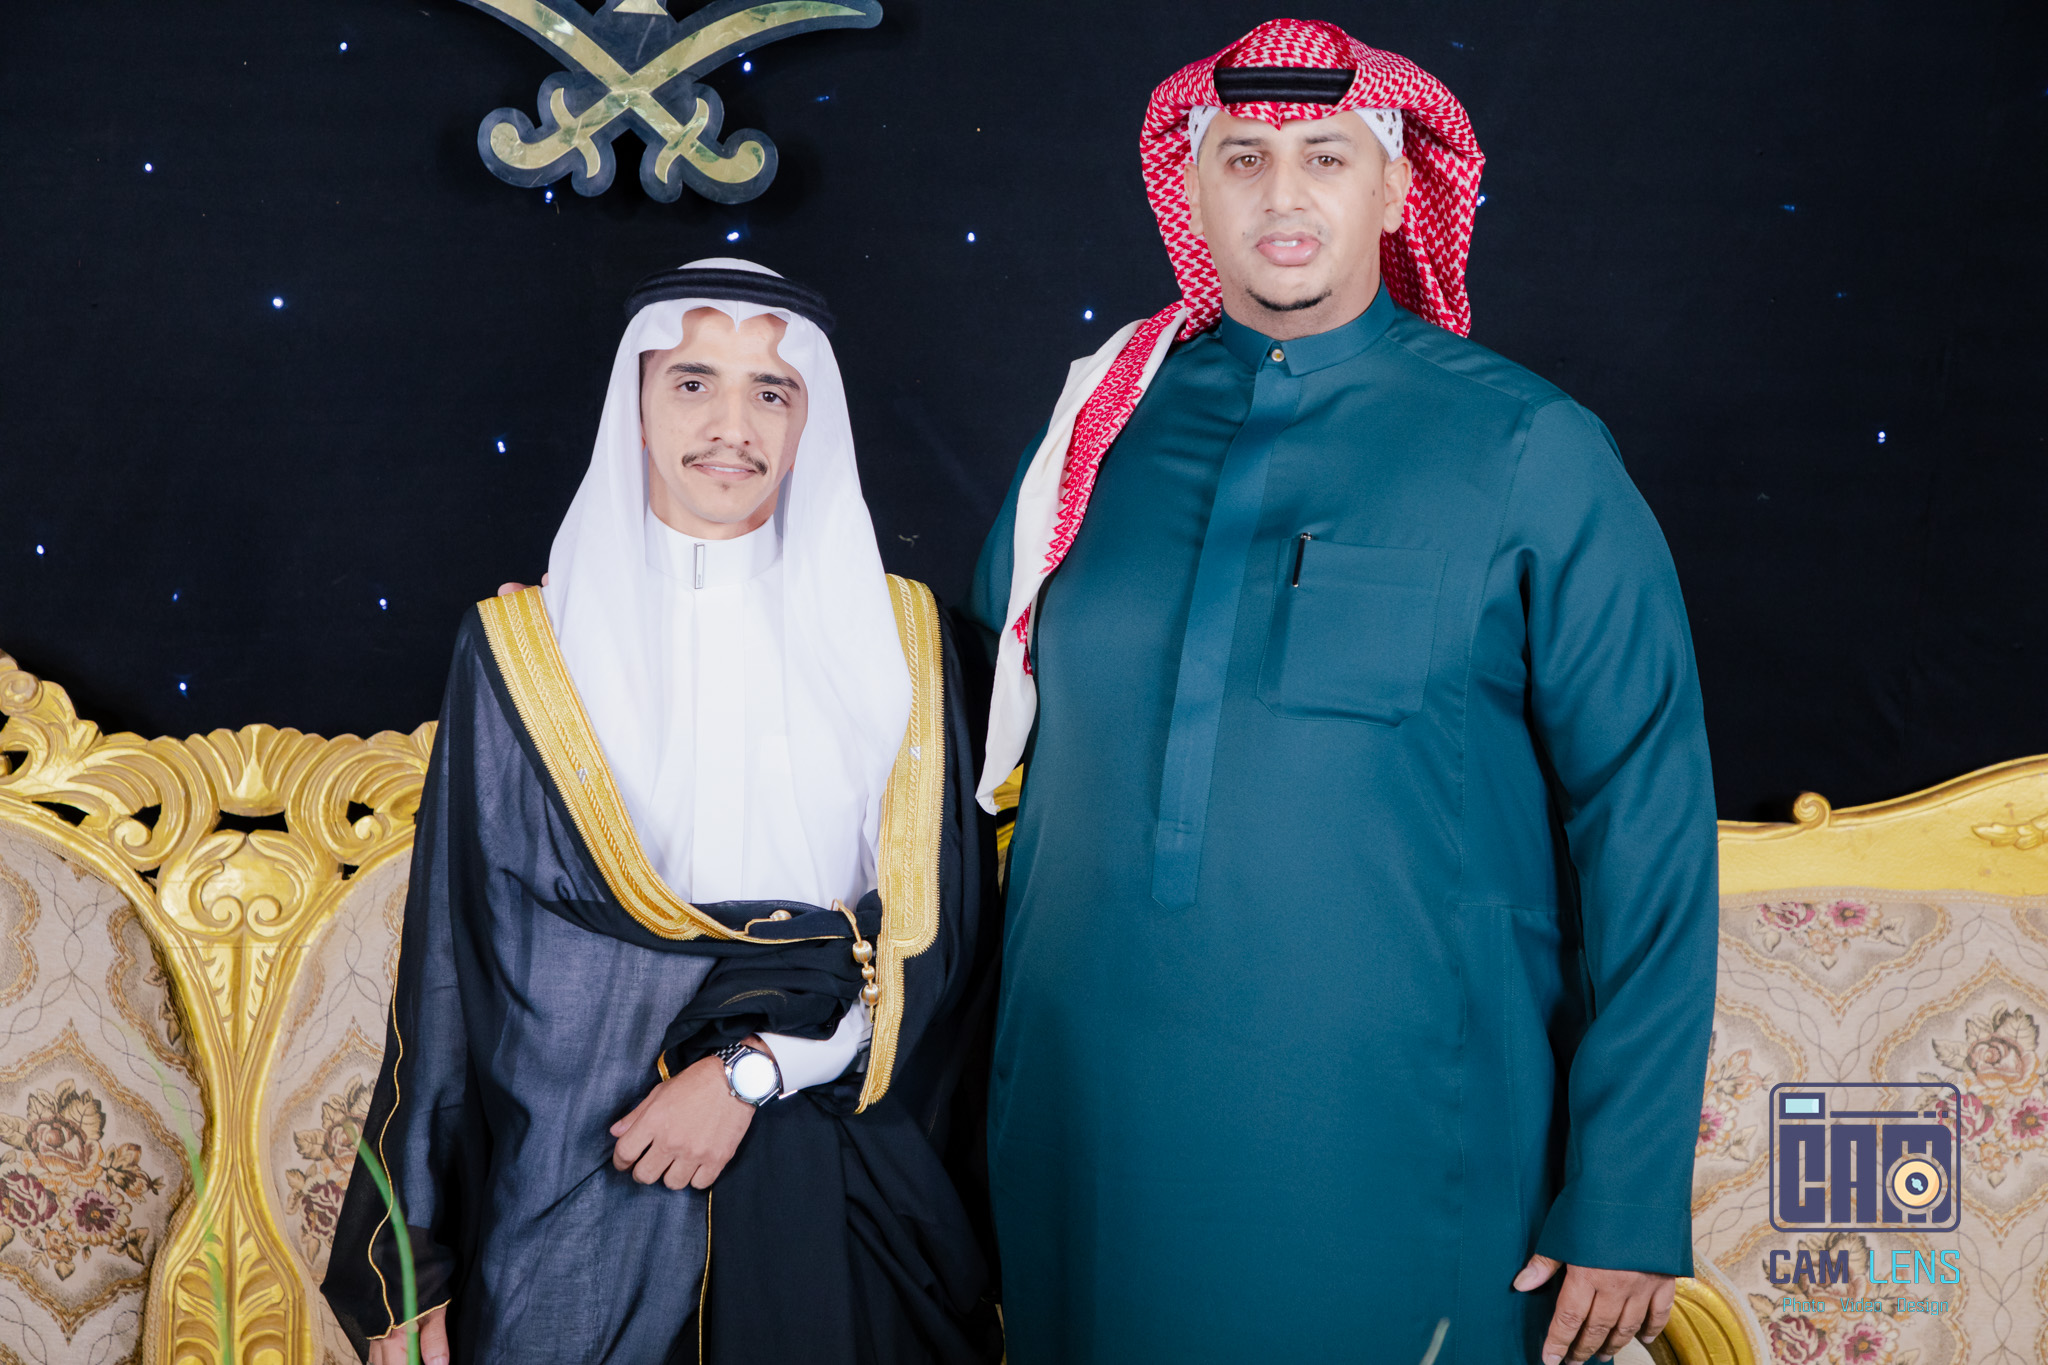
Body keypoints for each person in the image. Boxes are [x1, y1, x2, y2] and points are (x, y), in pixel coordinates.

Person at [969, 21, 1717, 1365]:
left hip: (1406, 1141)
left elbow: (1648, 828)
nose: (1281, 194)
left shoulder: (1529, 448)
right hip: (1084, 1139)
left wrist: (1629, 1183)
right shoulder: (1093, 434)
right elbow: (960, 736)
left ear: (1394, 187)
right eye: (1242, 158)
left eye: (1325, 156)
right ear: (1191, 192)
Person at [323, 259, 1003, 1365]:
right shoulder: (524, 650)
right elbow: (454, 963)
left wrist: (754, 1069)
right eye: (693, 383)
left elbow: (942, 955)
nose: (732, 425)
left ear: (809, 421)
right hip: (576, 1182)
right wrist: (409, 1266)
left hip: (837, 1169)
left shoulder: (908, 647)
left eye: (771, 391)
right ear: (634, 406)